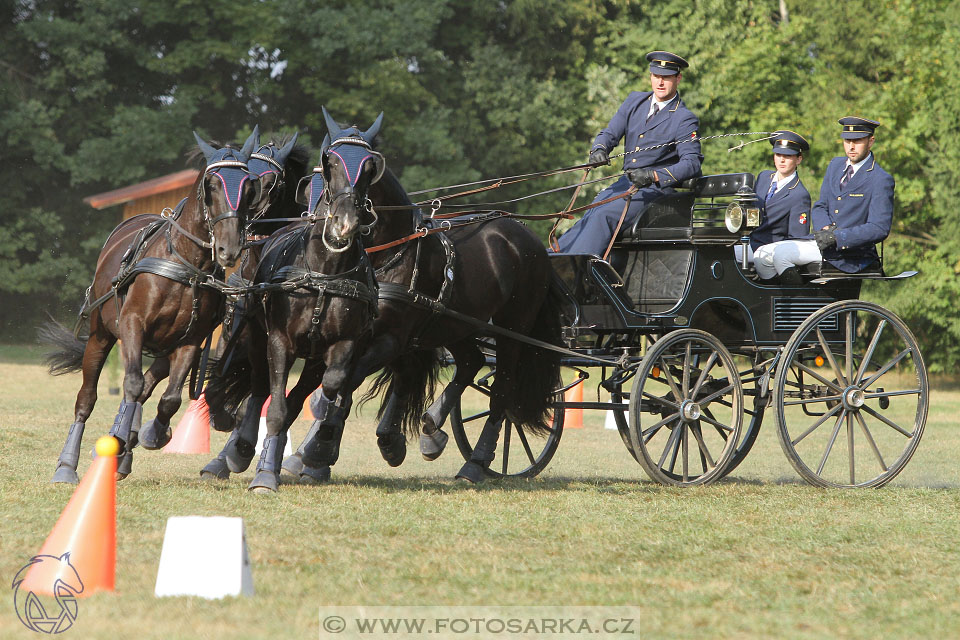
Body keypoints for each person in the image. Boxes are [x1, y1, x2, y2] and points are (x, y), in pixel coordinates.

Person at [556, 51, 702, 256]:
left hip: (655, 191)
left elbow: (692, 164)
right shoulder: (635, 101)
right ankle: (554, 258)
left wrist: (654, 176)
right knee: (592, 211)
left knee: (603, 215)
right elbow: (609, 133)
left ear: (678, 78)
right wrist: (600, 148)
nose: (660, 82)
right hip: (626, 185)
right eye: (656, 76)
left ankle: (576, 268)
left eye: (666, 77)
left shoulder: (684, 118)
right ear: (650, 76)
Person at [750, 117, 894, 284]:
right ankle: (780, 303)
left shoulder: (880, 179)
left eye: (857, 141)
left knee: (780, 256)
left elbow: (879, 228)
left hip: (850, 254)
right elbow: (820, 206)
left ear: (871, 141)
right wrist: (824, 229)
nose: (851, 146)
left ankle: (799, 304)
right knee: (762, 254)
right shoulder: (835, 165)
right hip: (820, 242)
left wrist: (838, 237)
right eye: (847, 140)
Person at [746, 130, 812, 282]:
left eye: (788, 156)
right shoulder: (763, 177)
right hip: (747, 242)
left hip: (768, 252)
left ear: (798, 159)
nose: (782, 160)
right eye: (778, 155)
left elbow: (796, 239)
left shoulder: (799, 195)